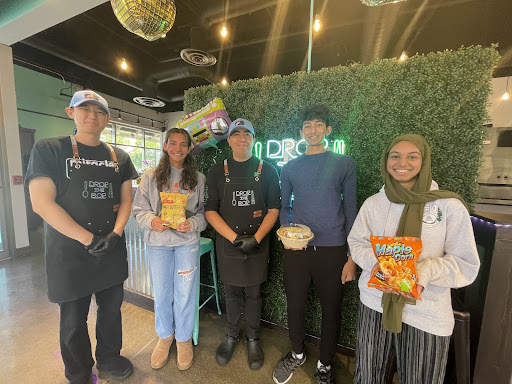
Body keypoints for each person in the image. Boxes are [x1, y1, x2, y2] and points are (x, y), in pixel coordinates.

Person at [347, 134, 480, 384]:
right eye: (395, 156)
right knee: (367, 376)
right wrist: (373, 263)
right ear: (386, 160)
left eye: (412, 156)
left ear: (424, 160)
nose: (402, 162)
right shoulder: (374, 203)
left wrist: (424, 272)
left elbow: (466, 263)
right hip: (375, 303)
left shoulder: (447, 205)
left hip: (426, 311)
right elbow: (357, 243)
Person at [25, 90, 138, 384]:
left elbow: (126, 200)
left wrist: (114, 234)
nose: (92, 115)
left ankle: (110, 359)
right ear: (70, 112)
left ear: (108, 119)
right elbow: (41, 202)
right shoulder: (49, 149)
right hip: (69, 252)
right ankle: (78, 372)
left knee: (111, 311)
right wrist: (87, 238)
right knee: (73, 319)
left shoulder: (120, 157)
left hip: (111, 248)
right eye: (85, 109)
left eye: (99, 111)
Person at [272, 105, 358, 384]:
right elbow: (283, 207)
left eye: (319, 125)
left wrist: (351, 256)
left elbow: (352, 211)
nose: (313, 130)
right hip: (298, 249)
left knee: (331, 309)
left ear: (328, 130)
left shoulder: (344, 164)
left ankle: (324, 364)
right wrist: (286, 234)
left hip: (333, 251)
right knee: (295, 305)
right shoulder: (290, 167)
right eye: (308, 126)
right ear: (301, 132)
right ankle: (297, 354)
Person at [205, 118, 281, 370]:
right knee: (232, 292)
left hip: (258, 245)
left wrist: (256, 239)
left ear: (253, 138)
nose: (241, 139)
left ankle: (253, 338)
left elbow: (274, 209)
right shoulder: (217, 171)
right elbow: (211, 211)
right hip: (228, 244)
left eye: (246, 134)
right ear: (229, 140)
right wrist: (234, 238)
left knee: (254, 294)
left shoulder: (267, 170)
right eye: (235, 135)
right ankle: (231, 335)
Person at [132, 128, 206, 371]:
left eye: (183, 144)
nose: (178, 149)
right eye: (173, 143)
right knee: (162, 293)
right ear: (165, 146)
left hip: (187, 244)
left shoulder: (198, 178)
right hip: (158, 244)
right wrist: (152, 221)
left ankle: (184, 338)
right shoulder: (150, 177)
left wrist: (192, 223)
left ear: (189, 148)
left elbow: (204, 214)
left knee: (185, 293)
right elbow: (139, 210)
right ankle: (165, 336)